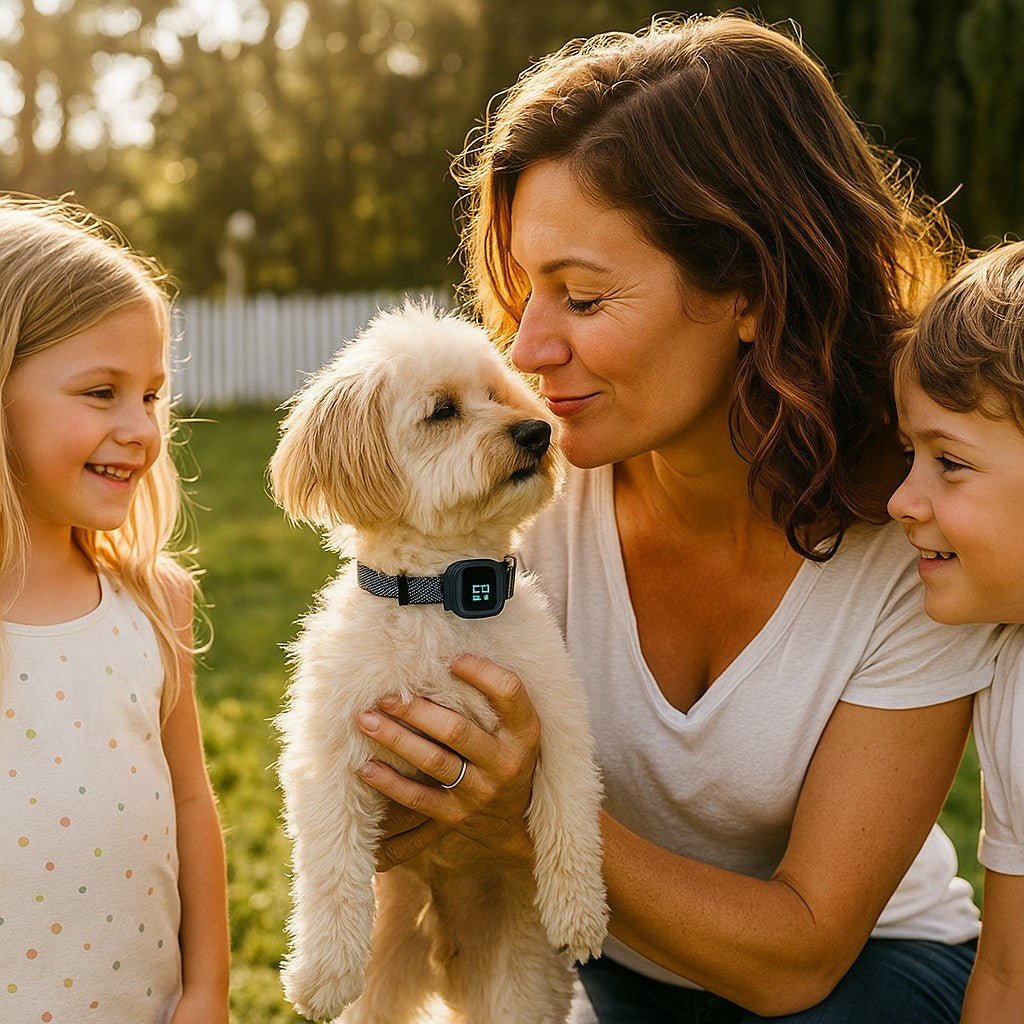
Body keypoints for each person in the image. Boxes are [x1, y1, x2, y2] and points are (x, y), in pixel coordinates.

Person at [352, 15, 1001, 1023]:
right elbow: (388, 826)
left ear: (748, 287)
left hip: (858, 980)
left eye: (581, 296)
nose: (526, 349)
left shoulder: (918, 532)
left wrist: (533, 803)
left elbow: (800, 956)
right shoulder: (510, 510)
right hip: (605, 971)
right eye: (525, 293)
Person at [0, 198, 229, 1024]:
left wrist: (206, 991)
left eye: (152, 397)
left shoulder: (154, 604)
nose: (140, 428)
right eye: (103, 392)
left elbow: (193, 805)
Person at [888, 241, 1024, 1023]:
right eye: (912, 454)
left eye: (950, 461)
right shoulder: (1009, 672)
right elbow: (1008, 975)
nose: (903, 499)